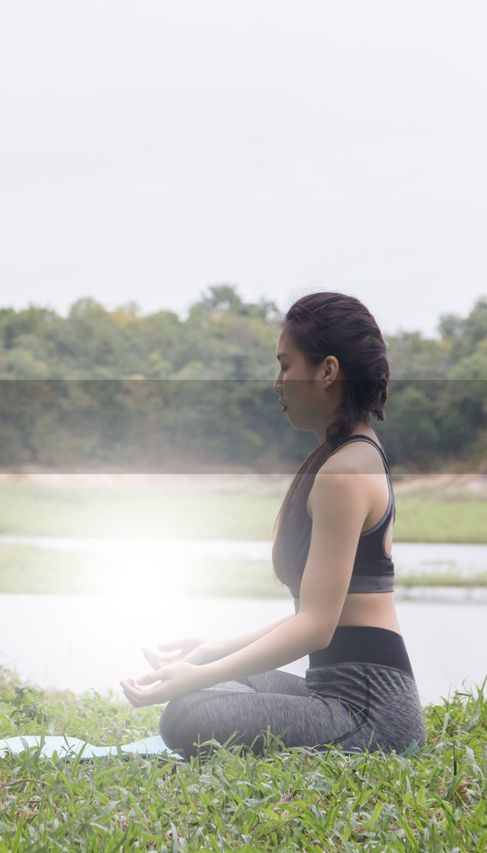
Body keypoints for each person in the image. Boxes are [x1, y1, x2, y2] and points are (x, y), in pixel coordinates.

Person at [121, 292, 426, 757]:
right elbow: (321, 612)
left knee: (187, 713)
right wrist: (210, 650)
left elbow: (315, 627)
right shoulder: (356, 453)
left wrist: (200, 675)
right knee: (210, 683)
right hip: (344, 695)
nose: (278, 383)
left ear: (327, 370)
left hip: (369, 716)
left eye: (286, 365)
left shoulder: (344, 474)